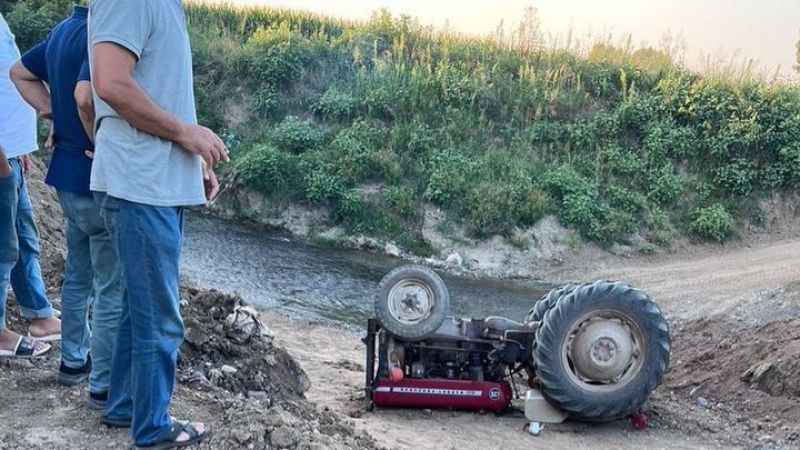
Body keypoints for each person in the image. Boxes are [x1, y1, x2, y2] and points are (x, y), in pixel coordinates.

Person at [89, 0, 226, 447]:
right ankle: (153, 429)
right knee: (160, 318)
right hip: (140, 183)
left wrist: (193, 159)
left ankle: (126, 406)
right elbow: (110, 82)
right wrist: (186, 134)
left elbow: (159, 93)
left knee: (138, 307)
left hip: (154, 179)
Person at [10, 3, 123, 407]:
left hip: (66, 174)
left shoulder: (62, 30)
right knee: (111, 285)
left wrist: (50, 112)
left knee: (78, 276)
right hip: (97, 175)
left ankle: (73, 361)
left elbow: (19, 72)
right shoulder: (105, 31)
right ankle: (104, 383)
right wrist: (99, 141)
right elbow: (85, 96)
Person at [0, 12, 61, 359]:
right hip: (0, 159)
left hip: (11, 154)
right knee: (2, 248)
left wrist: (16, 149)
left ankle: (38, 314)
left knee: (23, 238)